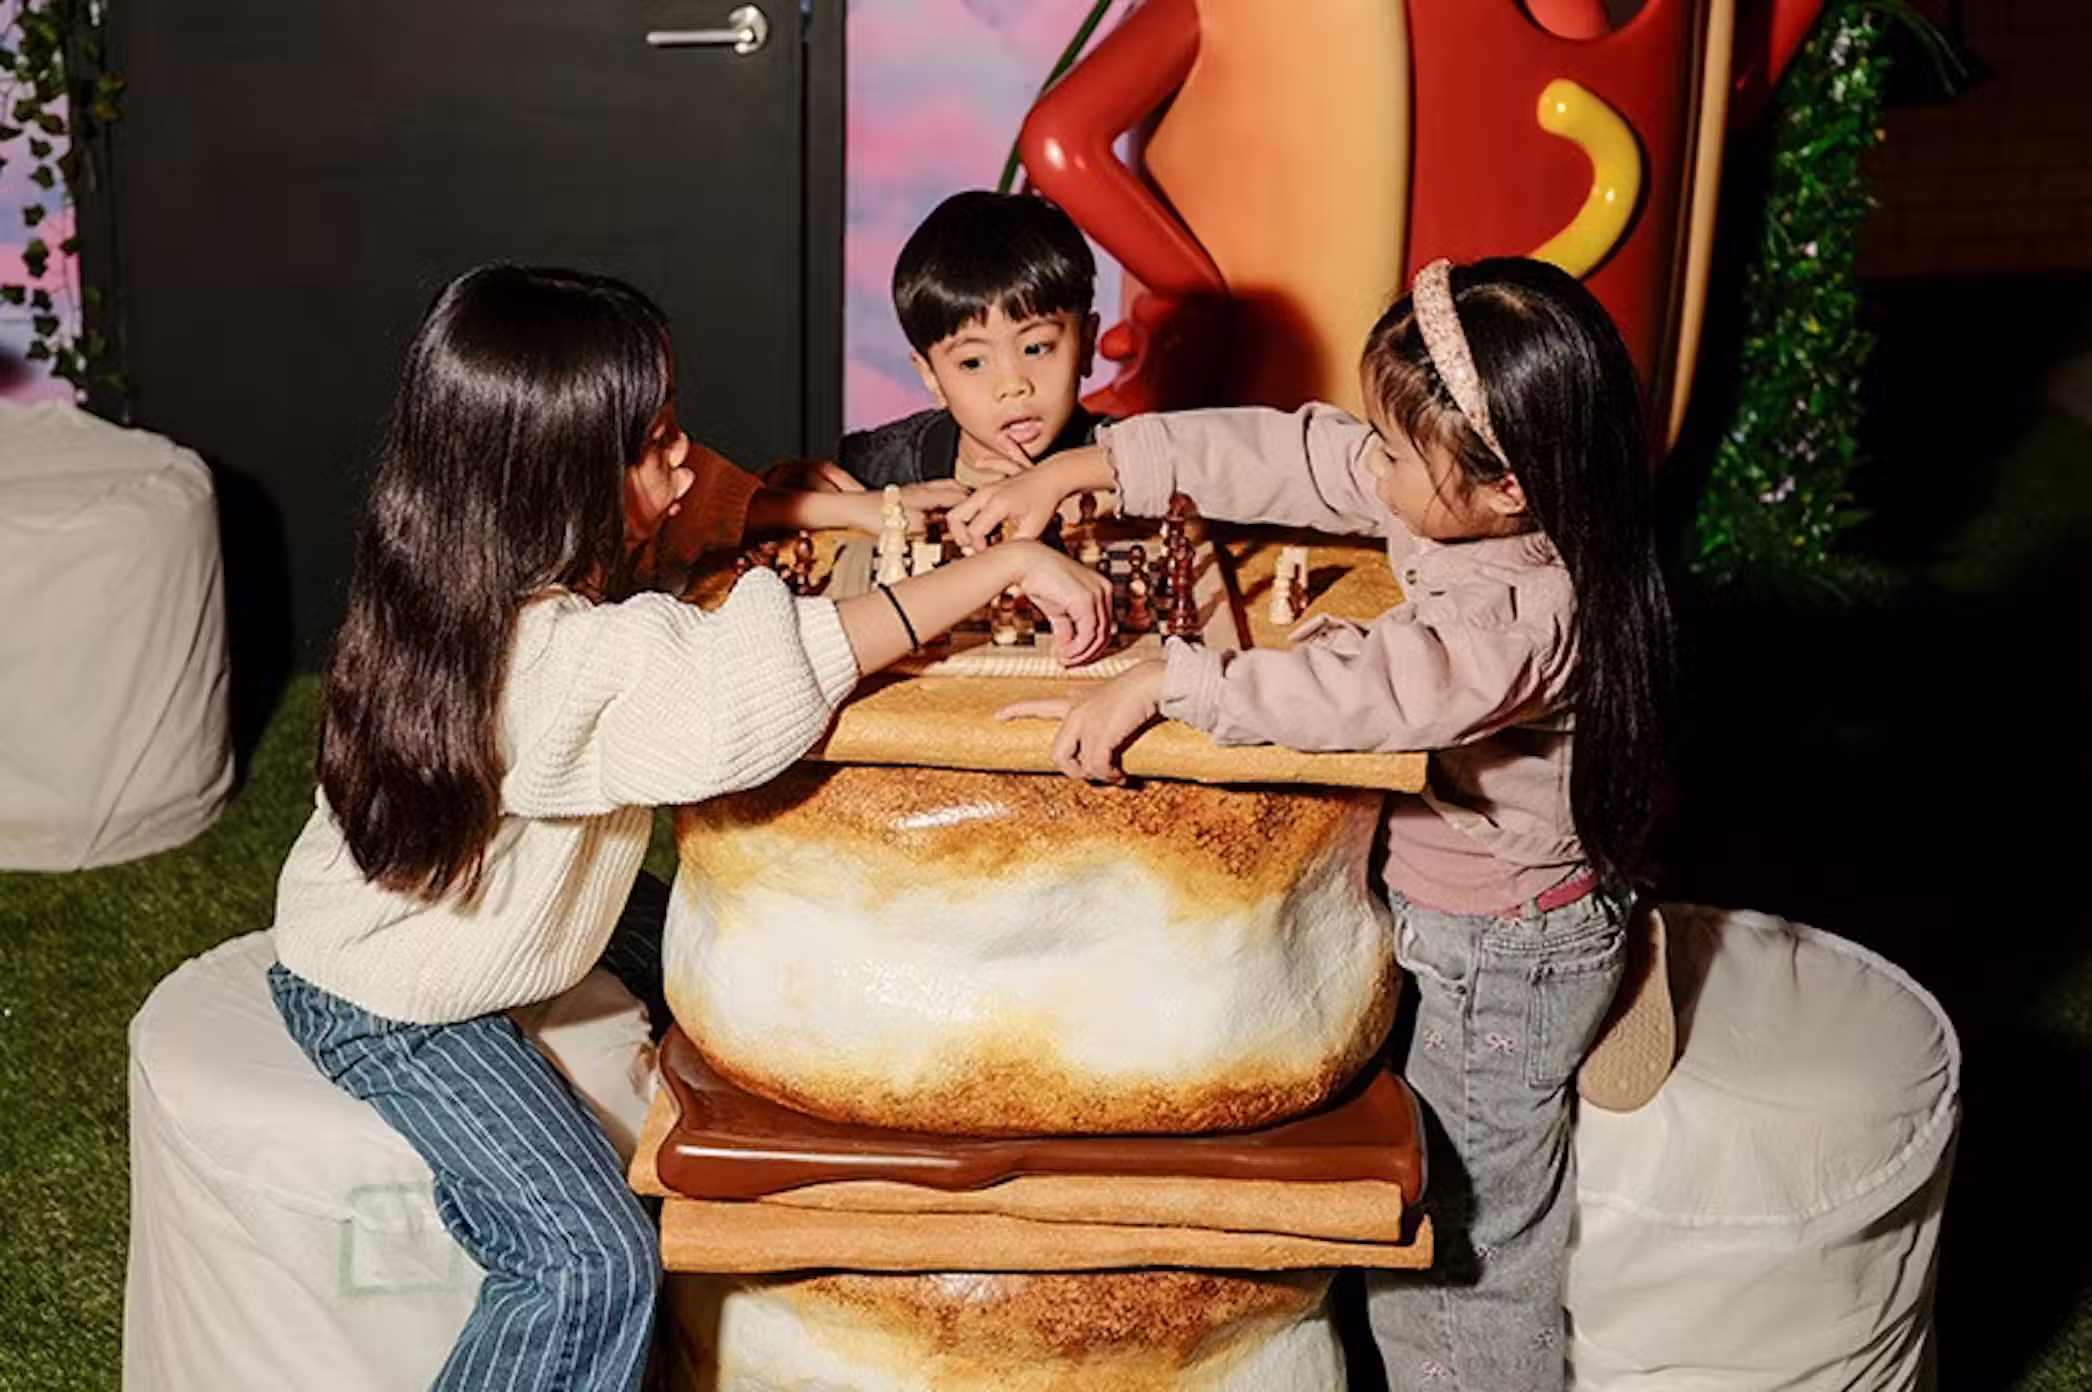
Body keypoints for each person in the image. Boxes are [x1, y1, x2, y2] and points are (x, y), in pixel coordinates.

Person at [266, 264, 1111, 1391]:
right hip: (399, 998)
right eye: (655, 438)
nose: (685, 457)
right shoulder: (549, 662)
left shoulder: (466, 554)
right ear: (561, 474)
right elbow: (755, 680)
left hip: (495, 912)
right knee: (588, 1262)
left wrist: (868, 511)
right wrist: (996, 566)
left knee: (743, 953)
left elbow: (703, 494)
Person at [947, 256, 1675, 1391]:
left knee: (1460, 1237)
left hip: (1499, 952)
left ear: (1505, 489)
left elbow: (1368, 691)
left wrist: (1174, 680)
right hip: (1465, 903)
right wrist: (1095, 464)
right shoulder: (1474, 488)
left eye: (1392, 454)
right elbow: (1291, 452)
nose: (1364, 464)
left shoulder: (1519, 615)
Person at [775, 190, 1106, 497]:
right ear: (930, 375)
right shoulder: (876, 467)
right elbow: (768, 496)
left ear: (1087, 344)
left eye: (1036, 348)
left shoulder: (1124, 462)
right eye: (973, 363)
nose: (1013, 386)